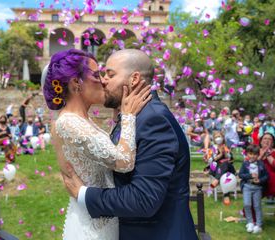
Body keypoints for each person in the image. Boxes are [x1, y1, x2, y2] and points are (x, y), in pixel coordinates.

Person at [60, 49, 197, 239]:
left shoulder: (153, 120)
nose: (103, 80)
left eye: (110, 74)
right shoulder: (135, 115)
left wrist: (84, 194)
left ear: (134, 79)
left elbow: (143, 199)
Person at [43, 49, 152, 239]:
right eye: (96, 75)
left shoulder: (82, 120)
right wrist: (128, 116)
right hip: (92, 227)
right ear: (77, 83)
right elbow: (124, 162)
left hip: (103, 215)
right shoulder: (68, 122)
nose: (102, 80)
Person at [239, 144, 268, 234]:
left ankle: (259, 224)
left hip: (257, 188)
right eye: (250, 154)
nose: (252, 156)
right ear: (247, 154)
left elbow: (266, 176)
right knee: (247, 204)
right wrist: (250, 176)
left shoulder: (261, 164)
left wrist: (259, 180)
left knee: (257, 206)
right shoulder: (245, 164)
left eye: (255, 154)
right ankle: (250, 222)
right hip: (247, 187)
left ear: (258, 154)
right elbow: (240, 175)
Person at [258, 133, 275, 198]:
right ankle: (248, 208)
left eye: (269, 139)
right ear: (261, 141)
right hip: (259, 179)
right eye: (265, 138)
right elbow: (249, 166)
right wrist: (261, 155)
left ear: (273, 143)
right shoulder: (255, 151)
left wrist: (268, 154)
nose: (267, 140)